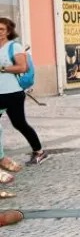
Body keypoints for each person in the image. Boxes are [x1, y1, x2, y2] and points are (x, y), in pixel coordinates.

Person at [0, 18, 48, 165]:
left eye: (1, 29)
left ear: (8, 31)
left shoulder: (14, 46)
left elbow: (23, 67)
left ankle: (39, 151)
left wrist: (3, 68)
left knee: (19, 124)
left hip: (13, 93)